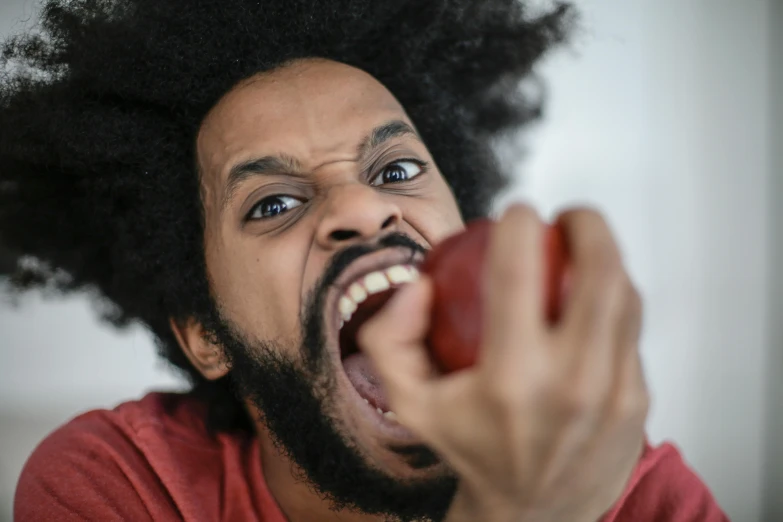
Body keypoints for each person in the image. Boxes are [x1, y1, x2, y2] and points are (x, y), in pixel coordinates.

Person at [1, 1, 728, 521]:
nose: (359, 209)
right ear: (205, 331)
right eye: (273, 205)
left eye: (396, 170)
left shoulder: (641, 499)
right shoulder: (120, 487)